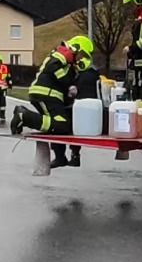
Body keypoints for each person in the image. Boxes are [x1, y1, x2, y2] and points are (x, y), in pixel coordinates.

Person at [12, 35, 92, 168]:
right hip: (46, 93)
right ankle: (24, 116)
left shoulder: (68, 60)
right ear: (76, 48)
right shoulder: (62, 54)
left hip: (49, 95)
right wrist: (68, 83)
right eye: (82, 55)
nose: (81, 59)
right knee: (61, 125)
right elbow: (52, 67)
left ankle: (60, 157)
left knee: (59, 126)